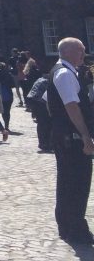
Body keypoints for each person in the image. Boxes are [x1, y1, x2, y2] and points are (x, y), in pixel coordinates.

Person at [47, 37, 94, 244]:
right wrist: (85, 135)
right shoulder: (65, 74)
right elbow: (71, 106)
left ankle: (68, 226)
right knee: (77, 181)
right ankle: (75, 228)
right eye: (80, 51)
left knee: (68, 181)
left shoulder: (61, 72)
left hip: (63, 135)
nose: (83, 55)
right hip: (71, 137)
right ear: (66, 52)